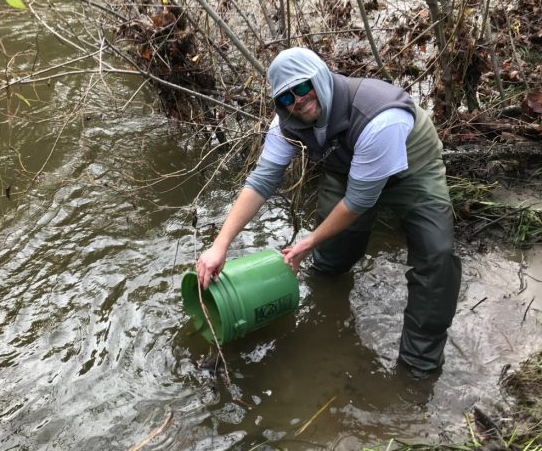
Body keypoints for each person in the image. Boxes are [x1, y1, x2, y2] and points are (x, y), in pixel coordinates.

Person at [195, 47, 461, 375]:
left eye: (303, 87)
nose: (297, 100)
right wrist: (219, 246)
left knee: (437, 257)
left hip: (412, 168)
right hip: (347, 167)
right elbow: (262, 181)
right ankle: (327, 296)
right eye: (286, 97)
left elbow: (359, 202)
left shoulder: (377, 117)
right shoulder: (286, 124)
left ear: (320, 78)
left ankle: (418, 368)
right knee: (329, 258)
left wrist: (306, 243)